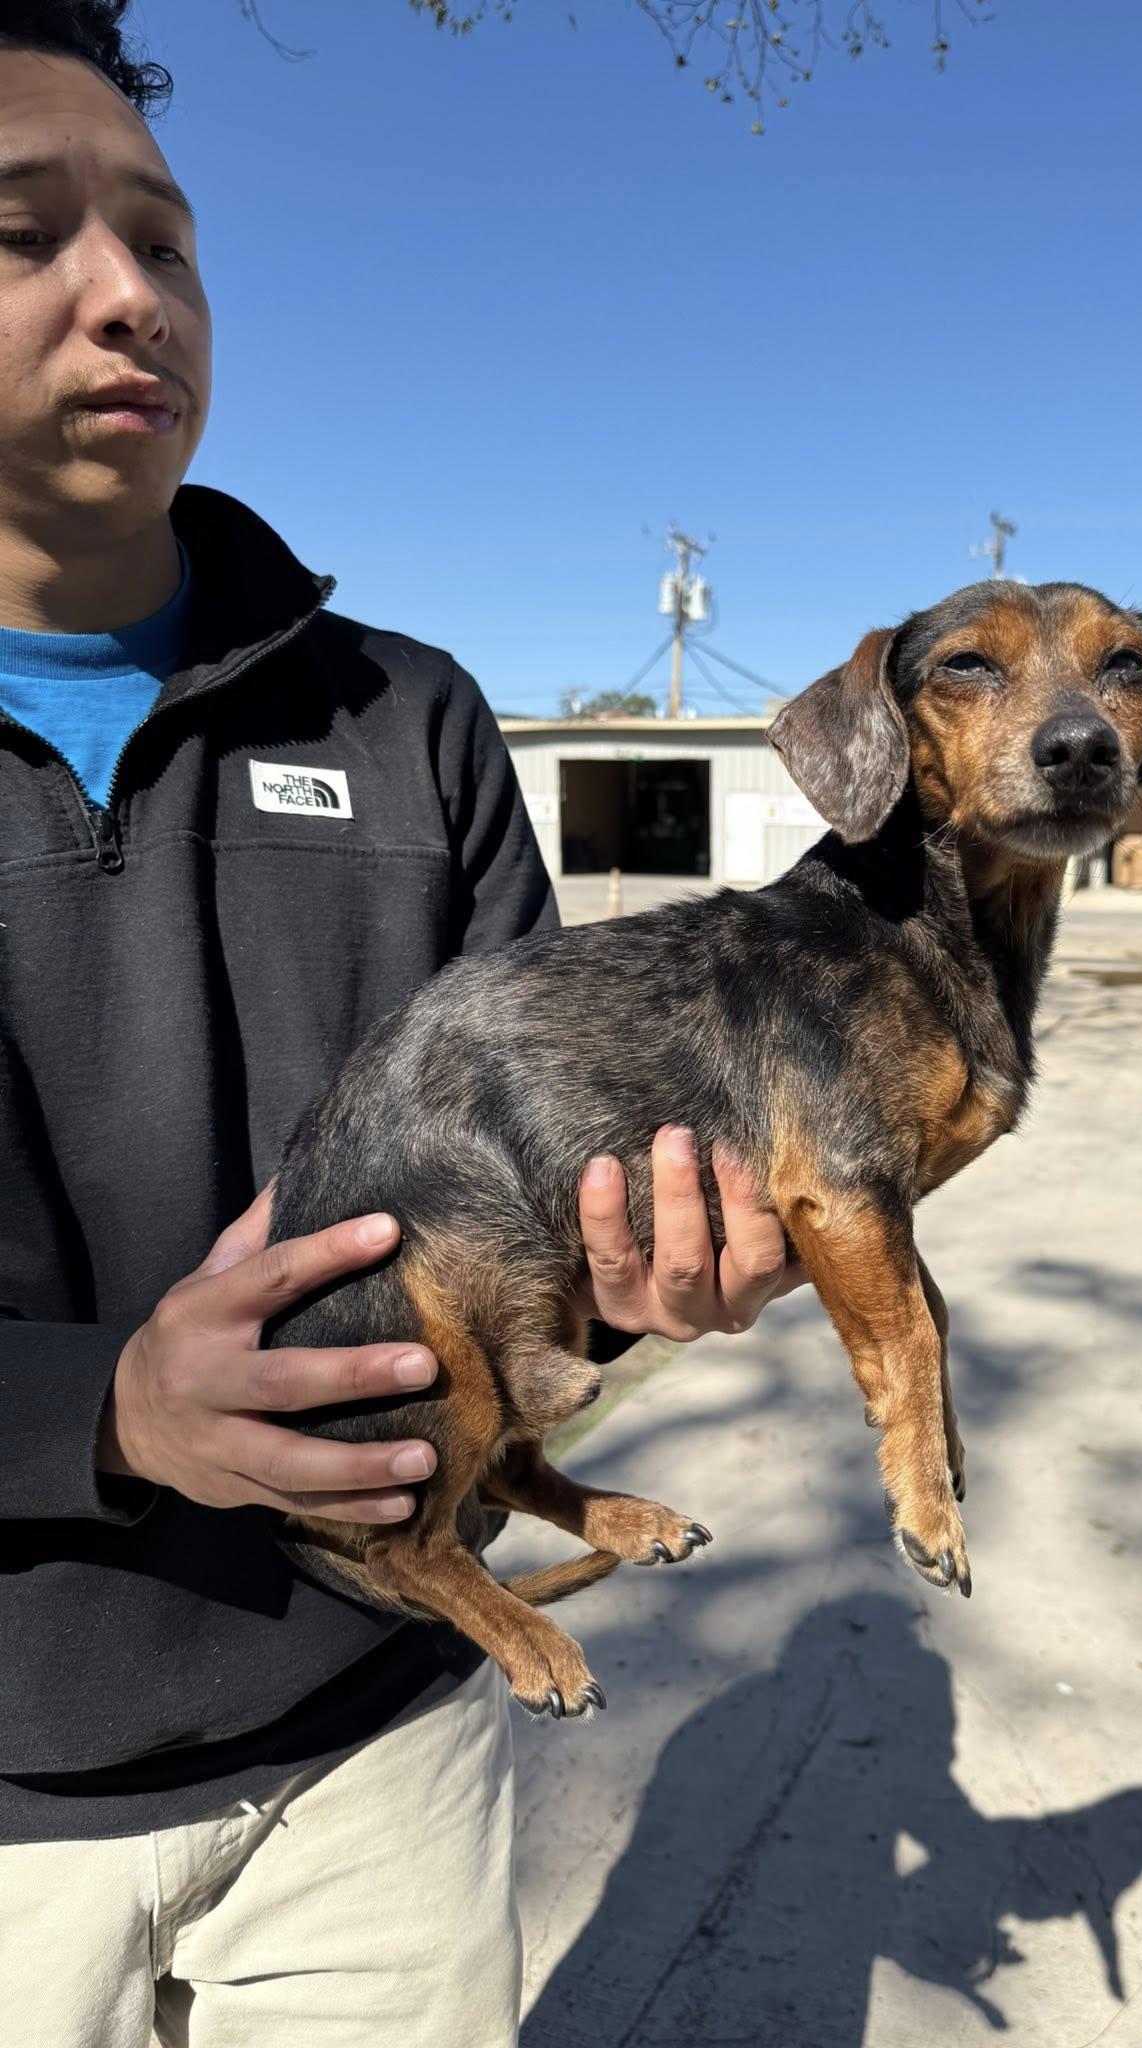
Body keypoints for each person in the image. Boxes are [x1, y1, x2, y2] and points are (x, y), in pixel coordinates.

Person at [0, 8, 791, 2042]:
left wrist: (634, 1288)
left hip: (386, 1740)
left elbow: (558, 1177)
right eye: (24, 235)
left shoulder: (404, 716)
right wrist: (106, 1407)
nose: (128, 297)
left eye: (164, 243)